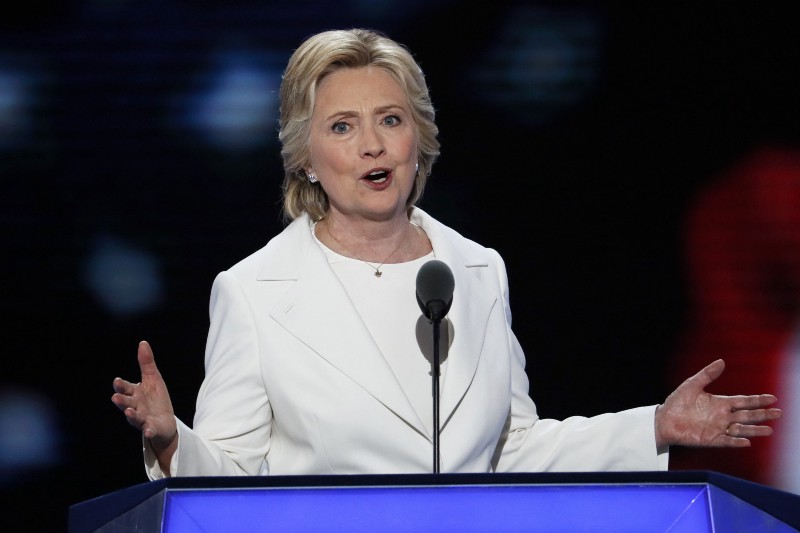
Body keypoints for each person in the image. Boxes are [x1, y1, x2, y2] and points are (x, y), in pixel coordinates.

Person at [111, 28, 782, 478]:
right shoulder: (254, 288)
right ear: (306, 158)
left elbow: (512, 447)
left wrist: (654, 426)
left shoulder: (478, 268)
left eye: (391, 120)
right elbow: (232, 474)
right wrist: (173, 440)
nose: (373, 145)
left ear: (418, 141)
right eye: (343, 127)